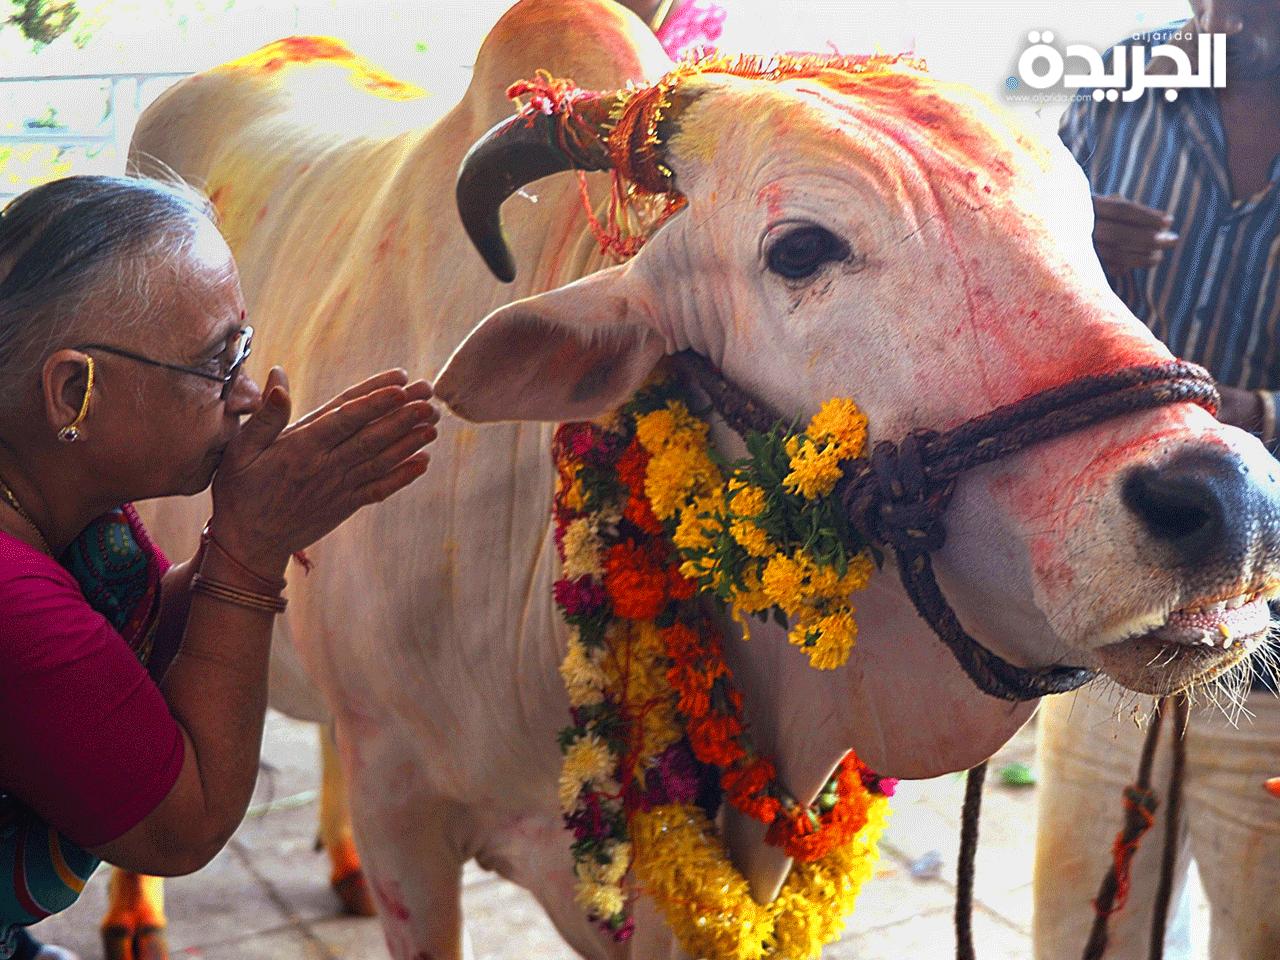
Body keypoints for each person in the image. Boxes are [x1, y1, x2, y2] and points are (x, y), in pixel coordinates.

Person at [0, 175, 438, 959]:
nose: (247, 394)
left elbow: (123, 659)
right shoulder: (10, 600)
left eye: (244, 346)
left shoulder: (53, 494)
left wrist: (249, 529)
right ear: (72, 393)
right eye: (216, 362)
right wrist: (249, 554)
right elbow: (182, 826)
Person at [1034, 1, 1280, 958]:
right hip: (1112, 623)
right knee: (1085, 932)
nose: (1218, 16)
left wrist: (1249, 415)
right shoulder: (1117, 88)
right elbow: (1021, 290)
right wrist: (1071, 237)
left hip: (1270, 663)